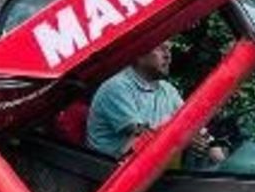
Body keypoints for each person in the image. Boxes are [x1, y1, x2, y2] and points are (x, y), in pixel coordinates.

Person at [87, 42, 226, 163]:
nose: (168, 55)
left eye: (169, 50)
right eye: (161, 49)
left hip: (146, 170)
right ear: (139, 55)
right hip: (107, 175)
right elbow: (142, 135)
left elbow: (192, 123)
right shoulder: (117, 87)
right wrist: (183, 137)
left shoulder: (168, 90)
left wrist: (213, 148)